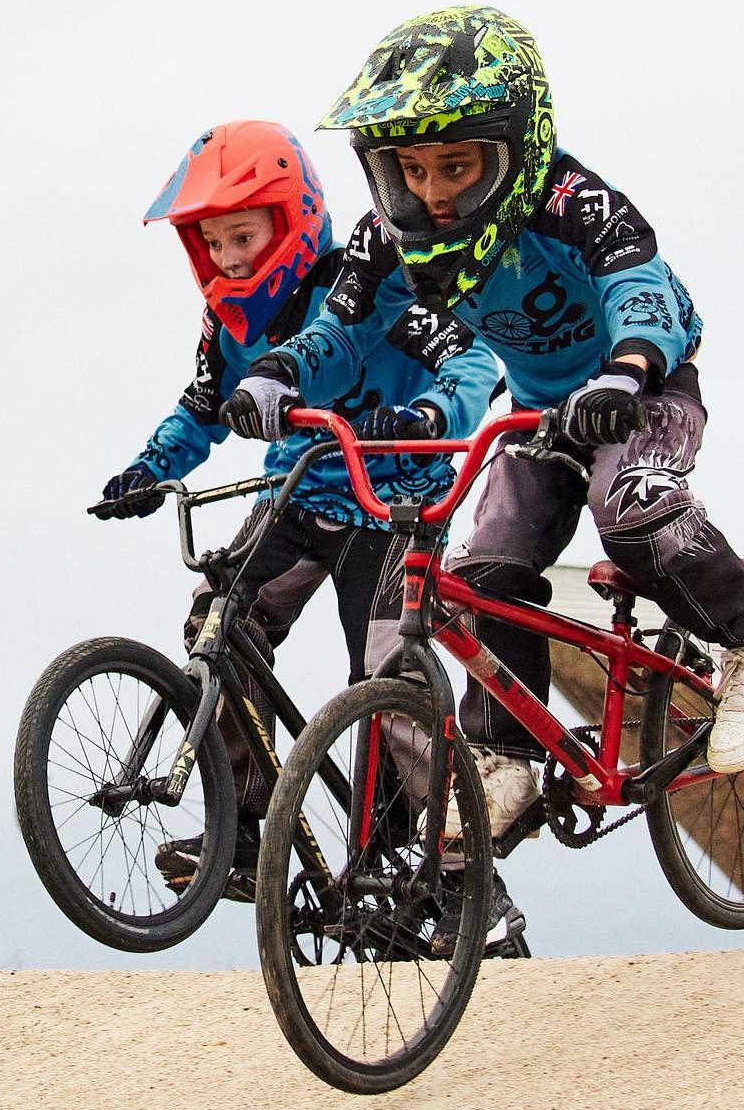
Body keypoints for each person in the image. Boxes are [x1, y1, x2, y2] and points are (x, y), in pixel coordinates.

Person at [227, 5, 744, 947]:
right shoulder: (393, 239)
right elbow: (339, 332)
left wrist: (626, 370)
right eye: (411, 171)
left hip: (640, 385)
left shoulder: (572, 204)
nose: (435, 192)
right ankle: (502, 755)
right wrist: (277, 374)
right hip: (539, 416)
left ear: (515, 147)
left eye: (456, 166)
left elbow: (643, 287)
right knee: (484, 571)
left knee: (636, 513)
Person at [101, 118, 497, 901]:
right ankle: (243, 832)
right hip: (299, 492)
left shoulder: (360, 287)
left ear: (292, 220)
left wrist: (428, 418)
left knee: (390, 674)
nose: (229, 258)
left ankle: (454, 873)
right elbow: (203, 408)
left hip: (393, 506)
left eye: (243, 235)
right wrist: (146, 470)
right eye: (212, 244)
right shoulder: (231, 321)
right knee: (218, 619)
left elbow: (470, 358)